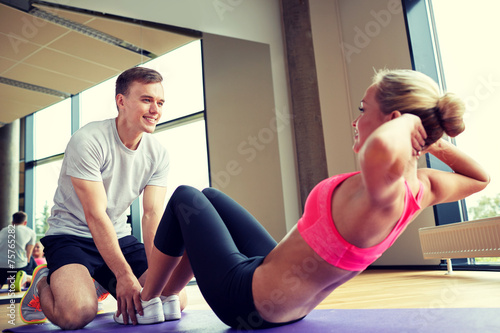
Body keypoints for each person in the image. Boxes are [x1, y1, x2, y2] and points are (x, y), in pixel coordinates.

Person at [116, 69, 490, 329]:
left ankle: (146, 301)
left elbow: (377, 151)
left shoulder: (383, 193)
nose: (356, 121)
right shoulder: (419, 188)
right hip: (284, 299)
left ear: (392, 121)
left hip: (246, 301)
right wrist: (430, 135)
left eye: (363, 110)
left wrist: (408, 123)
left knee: (185, 198)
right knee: (209, 197)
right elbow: (480, 178)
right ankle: (165, 297)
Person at [20, 67, 186, 329]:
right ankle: (43, 281)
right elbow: (95, 214)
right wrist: (124, 275)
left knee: (174, 296)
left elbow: (152, 216)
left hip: (118, 237)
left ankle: (97, 280)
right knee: (77, 314)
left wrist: (156, 280)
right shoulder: (89, 140)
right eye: (146, 100)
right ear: (121, 101)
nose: (156, 109)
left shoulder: (158, 154)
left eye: (160, 102)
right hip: (71, 236)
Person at [0, 212, 36, 292]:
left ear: (12, 222)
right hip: (19, 266)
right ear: (25, 222)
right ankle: (25, 278)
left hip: (1, 265)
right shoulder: (30, 232)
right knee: (31, 262)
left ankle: (5, 282)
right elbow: (28, 254)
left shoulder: (3, 230)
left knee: (2, 275)